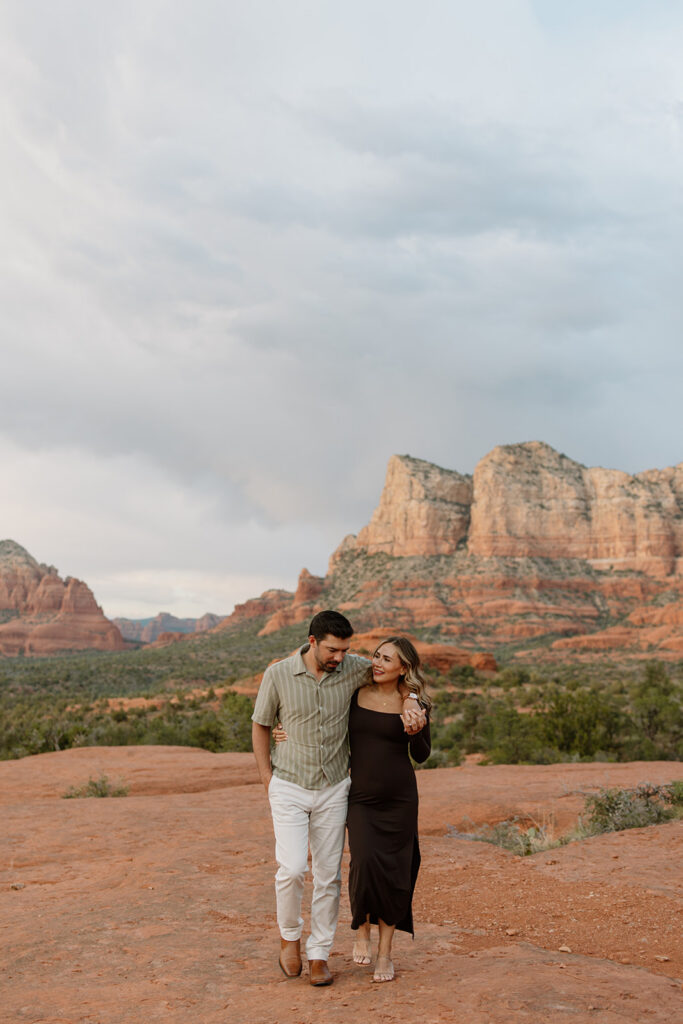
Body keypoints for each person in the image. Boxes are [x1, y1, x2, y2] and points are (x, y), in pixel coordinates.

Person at [251, 610, 425, 988]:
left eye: (346, 650)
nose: (340, 658)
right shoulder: (278, 674)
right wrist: (267, 778)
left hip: (333, 788)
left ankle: (319, 954)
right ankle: (289, 938)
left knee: (328, 876)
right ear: (312, 642)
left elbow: (396, 673)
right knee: (294, 868)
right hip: (289, 785)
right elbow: (261, 723)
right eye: (333, 650)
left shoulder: (352, 668)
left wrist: (411, 698)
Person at [346, 636, 431, 983]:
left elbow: (422, 754)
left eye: (386, 659)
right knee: (364, 863)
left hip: (399, 801)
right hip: (361, 798)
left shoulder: (415, 703)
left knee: (396, 874)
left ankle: (385, 953)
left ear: (403, 669)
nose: (377, 663)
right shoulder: (354, 694)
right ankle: (361, 929)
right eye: (376, 656)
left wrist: (415, 728)